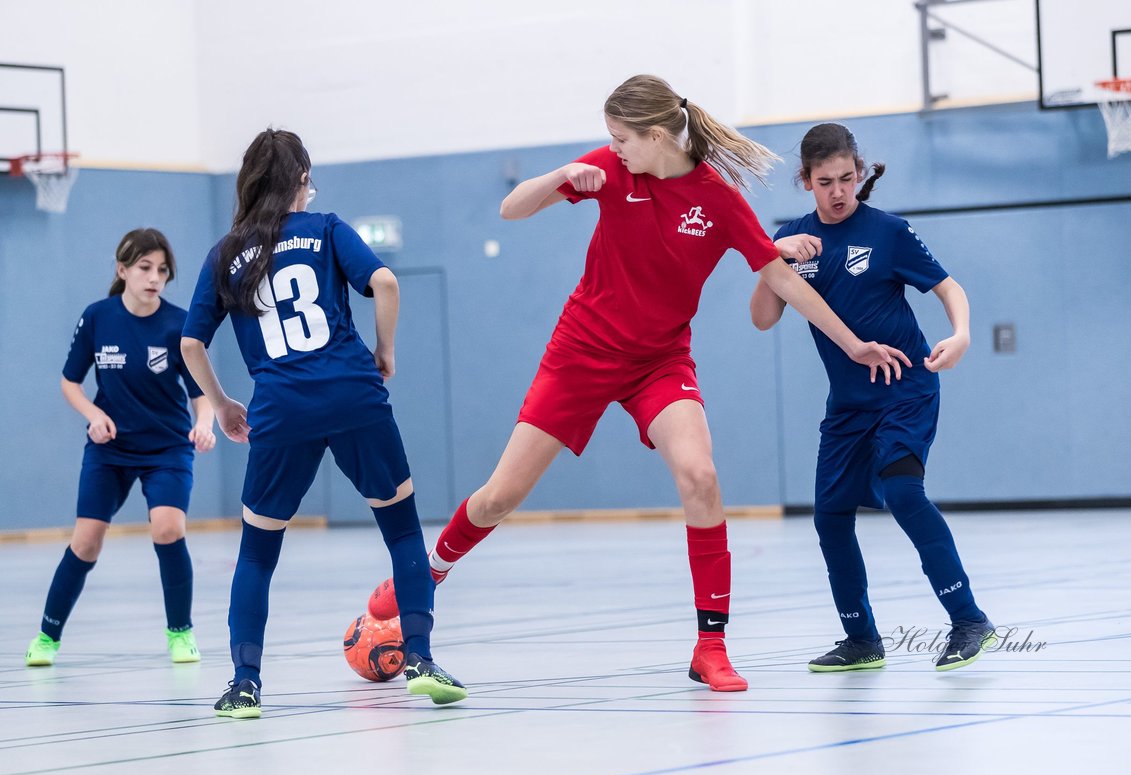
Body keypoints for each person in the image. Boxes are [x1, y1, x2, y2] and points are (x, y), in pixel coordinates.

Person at [422, 75, 907, 692]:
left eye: (621, 138)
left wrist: (853, 343)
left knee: (701, 478)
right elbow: (510, 207)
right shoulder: (608, 169)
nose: (614, 148)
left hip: (660, 360)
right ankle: (423, 577)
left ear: (656, 137)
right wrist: (564, 174)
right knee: (498, 497)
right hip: (583, 352)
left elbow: (783, 280)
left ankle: (711, 646)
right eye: (609, 140)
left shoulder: (718, 199)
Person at [180, 129, 466, 719]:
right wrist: (384, 350)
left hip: (280, 407)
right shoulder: (328, 227)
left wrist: (225, 402)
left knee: (257, 554)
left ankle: (244, 684)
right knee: (403, 532)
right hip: (353, 394)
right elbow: (384, 282)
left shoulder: (225, 253)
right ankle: (420, 658)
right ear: (299, 179)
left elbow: (189, 344)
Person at [750, 123, 996, 672]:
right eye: (825, 181)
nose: (838, 191)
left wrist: (961, 333)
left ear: (859, 174)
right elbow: (763, 318)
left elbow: (948, 287)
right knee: (830, 518)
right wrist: (770, 255)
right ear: (805, 182)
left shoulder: (888, 232)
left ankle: (969, 619)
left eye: (846, 178)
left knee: (904, 494)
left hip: (904, 389)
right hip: (848, 405)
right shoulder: (794, 239)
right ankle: (862, 640)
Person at [26, 228, 215, 667]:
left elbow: (201, 393)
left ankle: (180, 633)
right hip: (110, 450)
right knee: (87, 542)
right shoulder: (97, 317)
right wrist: (94, 416)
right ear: (122, 269)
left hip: (167, 448)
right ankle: (46, 637)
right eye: (145, 268)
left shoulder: (178, 324)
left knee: (168, 529)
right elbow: (69, 382)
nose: (154, 278)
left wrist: (204, 423)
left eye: (162, 270)